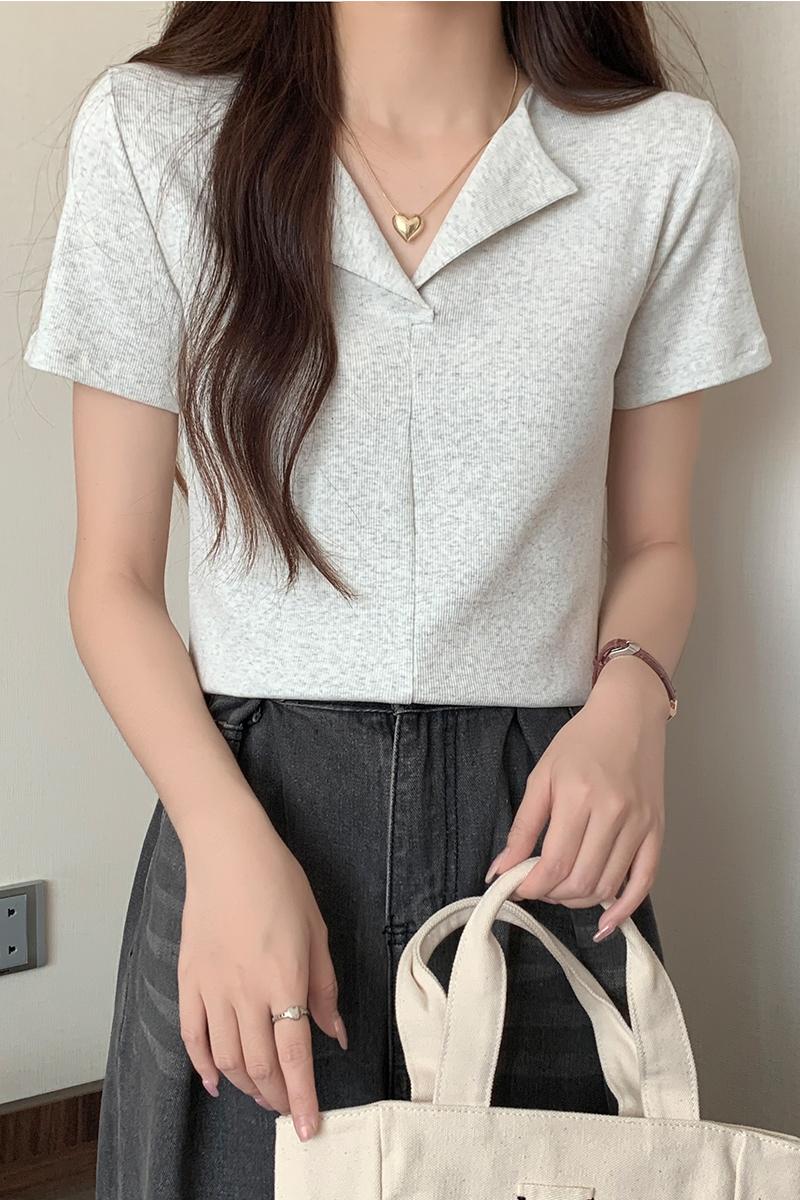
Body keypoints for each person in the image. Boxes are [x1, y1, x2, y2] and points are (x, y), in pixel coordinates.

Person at [23, 3, 771, 1198]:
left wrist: (630, 701)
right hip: (247, 811)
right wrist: (221, 839)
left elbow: (657, 541)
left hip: (539, 833)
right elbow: (110, 580)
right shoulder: (154, 136)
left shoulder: (658, 158)